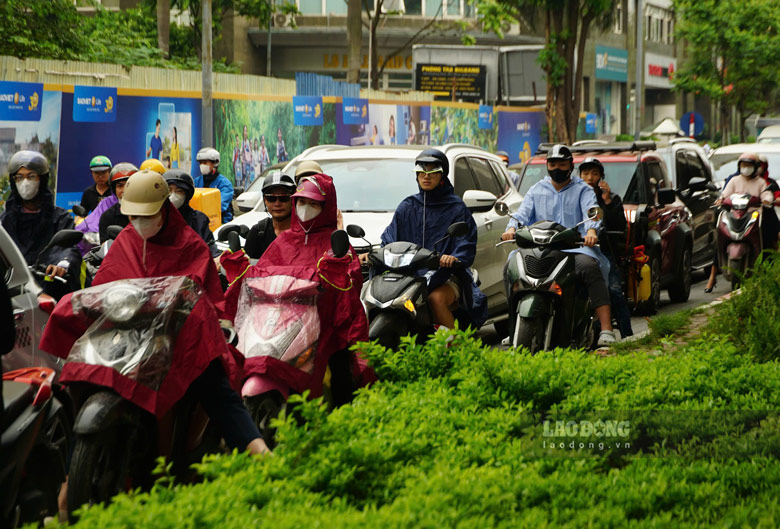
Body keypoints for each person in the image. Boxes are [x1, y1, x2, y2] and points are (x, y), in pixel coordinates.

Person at [227, 173, 372, 406]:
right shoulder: (283, 241)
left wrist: (336, 275)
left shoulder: (334, 241)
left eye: (314, 203)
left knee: (340, 364)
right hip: (281, 321)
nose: (306, 208)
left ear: (326, 207)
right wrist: (238, 268)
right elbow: (259, 275)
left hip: (322, 322)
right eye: (302, 202)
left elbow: (351, 282)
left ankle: (342, 415)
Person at [500, 144, 617, 347]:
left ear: (570, 166)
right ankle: (514, 326)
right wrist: (511, 228)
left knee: (590, 267)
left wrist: (591, 231)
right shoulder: (537, 189)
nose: (557, 168)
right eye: (552, 163)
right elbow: (521, 215)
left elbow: (592, 211)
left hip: (574, 249)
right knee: (510, 267)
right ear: (547, 165)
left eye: (562, 164)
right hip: (539, 249)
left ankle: (606, 329)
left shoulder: (583, 189)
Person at [379, 149, 488, 330]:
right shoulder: (407, 207)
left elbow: (466, 242)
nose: (426, 177)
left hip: (446, 276)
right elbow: (390, 238)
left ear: (442, 175)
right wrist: (375, 253)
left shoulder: (456, 207)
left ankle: (458, 349)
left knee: (435, 300)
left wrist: (453, 257)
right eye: (422, 172)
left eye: (432, 173)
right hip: (408, 277)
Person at [1, 151, 81, 285]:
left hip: (50, 283)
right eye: (19, 177)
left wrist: (60, 264)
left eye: (31, 176)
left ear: (42, 179)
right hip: (15, 287)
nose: (25, 183)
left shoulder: (60, 217)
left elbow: (66, 248)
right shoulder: (5, 220)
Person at [578, 157, 633, 338]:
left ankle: (627, 335)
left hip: (604, 252)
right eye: (585, 173)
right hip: (578, 250)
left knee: (615, 291)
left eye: (594, 173)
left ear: (601, 177)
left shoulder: (611, 199)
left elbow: (618, 225)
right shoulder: (574, 196)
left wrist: (607, 201)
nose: (590, 177)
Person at [164, 169, 220, 257]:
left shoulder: (198, 219)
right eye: (169, 190)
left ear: (187, 195)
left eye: (179, 191)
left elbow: (210, 248)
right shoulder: (156, 219)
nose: (173, 196)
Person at [244, 173, 296, 258]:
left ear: (293, 199)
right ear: (265, 200)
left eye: (284, 198)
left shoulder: (304, 232)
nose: (277, 204)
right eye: (271, 198)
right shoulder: (257, 232)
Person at [98, 163, 137, 244]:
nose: (124, 190)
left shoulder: (148, 212)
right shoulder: (107, 217)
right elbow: (105, 249)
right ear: (114, 190)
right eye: (120, 186)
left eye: (128, 185)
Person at [195, 147, 234, 223]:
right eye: (200, 163)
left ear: (215, 163)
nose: (202, 165)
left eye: (205, 162)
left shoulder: (224, 184)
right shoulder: (196, 181)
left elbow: (220, 206)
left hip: (221, 223)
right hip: (200, 222)